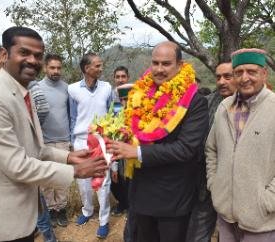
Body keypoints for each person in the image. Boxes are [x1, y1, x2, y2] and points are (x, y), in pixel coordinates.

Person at [0, 26, 108, 242]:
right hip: (1, 220)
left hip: (24, 215)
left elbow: (34, 148)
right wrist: (75, 170)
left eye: (38, 55)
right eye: (24, 52)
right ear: (3, 54)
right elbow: (17, 165)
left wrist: (67, 156)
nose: (32, 60)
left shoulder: (23, 91)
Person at [108, 41, 209, 242]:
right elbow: (130, 130)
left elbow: (186, 149)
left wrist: (136, 153)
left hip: (172, 197)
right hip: (139, 192)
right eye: (155, 63)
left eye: (166, 64)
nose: (159, 69)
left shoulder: (194, 101)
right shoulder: (139, 93)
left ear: (180, 65)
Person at [206, 48, 275, 242]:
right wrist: (215, 184)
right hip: (226, 216)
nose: (245, 78)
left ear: (264, 73)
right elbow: (211, 149)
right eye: (239, 72)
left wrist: (268, 201)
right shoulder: (224, 107)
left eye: (251, 72)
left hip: (262, 221)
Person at [186, 61, 236, 242]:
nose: (222, 82)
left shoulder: (250, 106)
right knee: (197, 233)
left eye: (227, 77)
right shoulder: (205, 103)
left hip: (237, 188)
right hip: (204, 184)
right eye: (218, 77)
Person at [68, 52, 113, 239]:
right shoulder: (72, 89)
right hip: (81, 141)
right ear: (87, 68)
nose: (101, 69)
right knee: (84, 182)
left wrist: (112, 138)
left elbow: (112, 113)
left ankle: (104, 220)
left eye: (101, 65)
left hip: (102, 140)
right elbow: (72, 117)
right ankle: (87, 211)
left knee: (103, 181)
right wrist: (72, 144)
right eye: (97, 66)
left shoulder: (107, 87)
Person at [39, 53, 71, 227]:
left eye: (58, 67)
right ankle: (51, 210)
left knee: (63, 178)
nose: (56, 71)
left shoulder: (67, 88)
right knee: (47, 180)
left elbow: (70, 113)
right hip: (44, 142)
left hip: (64, 140)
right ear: (45, 68)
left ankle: (62, 209)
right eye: (52, 67)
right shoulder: (36, 88)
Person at [111, 66, 130, 216]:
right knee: (114, 176)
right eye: (117, 77)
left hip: (131, 141)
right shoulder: (111, 96)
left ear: (127, 78)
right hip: (114, 137)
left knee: (129, 175)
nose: (120, 79)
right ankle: (121, 202)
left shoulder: (135, 94)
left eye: (123, 76)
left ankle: (130, 204)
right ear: (114, 78)